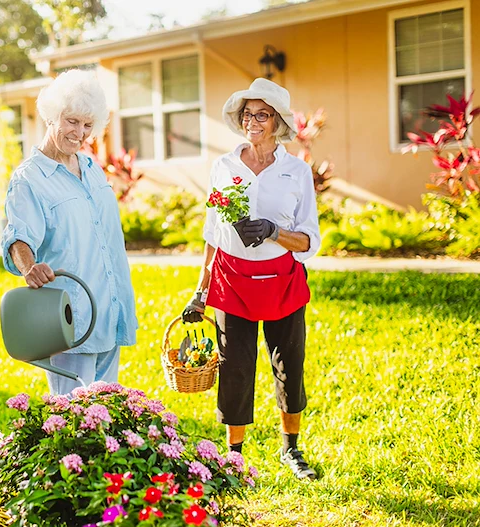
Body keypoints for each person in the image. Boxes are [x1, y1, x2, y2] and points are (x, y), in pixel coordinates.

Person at [181, 78, 321, 480]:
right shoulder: (224, 166)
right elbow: (212, 232)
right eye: (247, 114)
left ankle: (290, 450)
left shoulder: (296, 172)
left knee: (289, 367)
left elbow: (309, 240)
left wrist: (272, 231)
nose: (252, 122)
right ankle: (235, 458)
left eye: (262, 115)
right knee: (235, 369)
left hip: (282, 281)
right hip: (231, 282)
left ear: (278, 122)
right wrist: (200, 292)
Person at [0, 69, 138, 396]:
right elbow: (19, 235)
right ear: (51, 116)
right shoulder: (31, 178)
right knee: (72, 416)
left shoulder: (91, 168)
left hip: (109, 308)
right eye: (71, 121)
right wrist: (28, 267)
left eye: (88, 125)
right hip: (72, 315)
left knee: (103, 417)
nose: (80, 133)